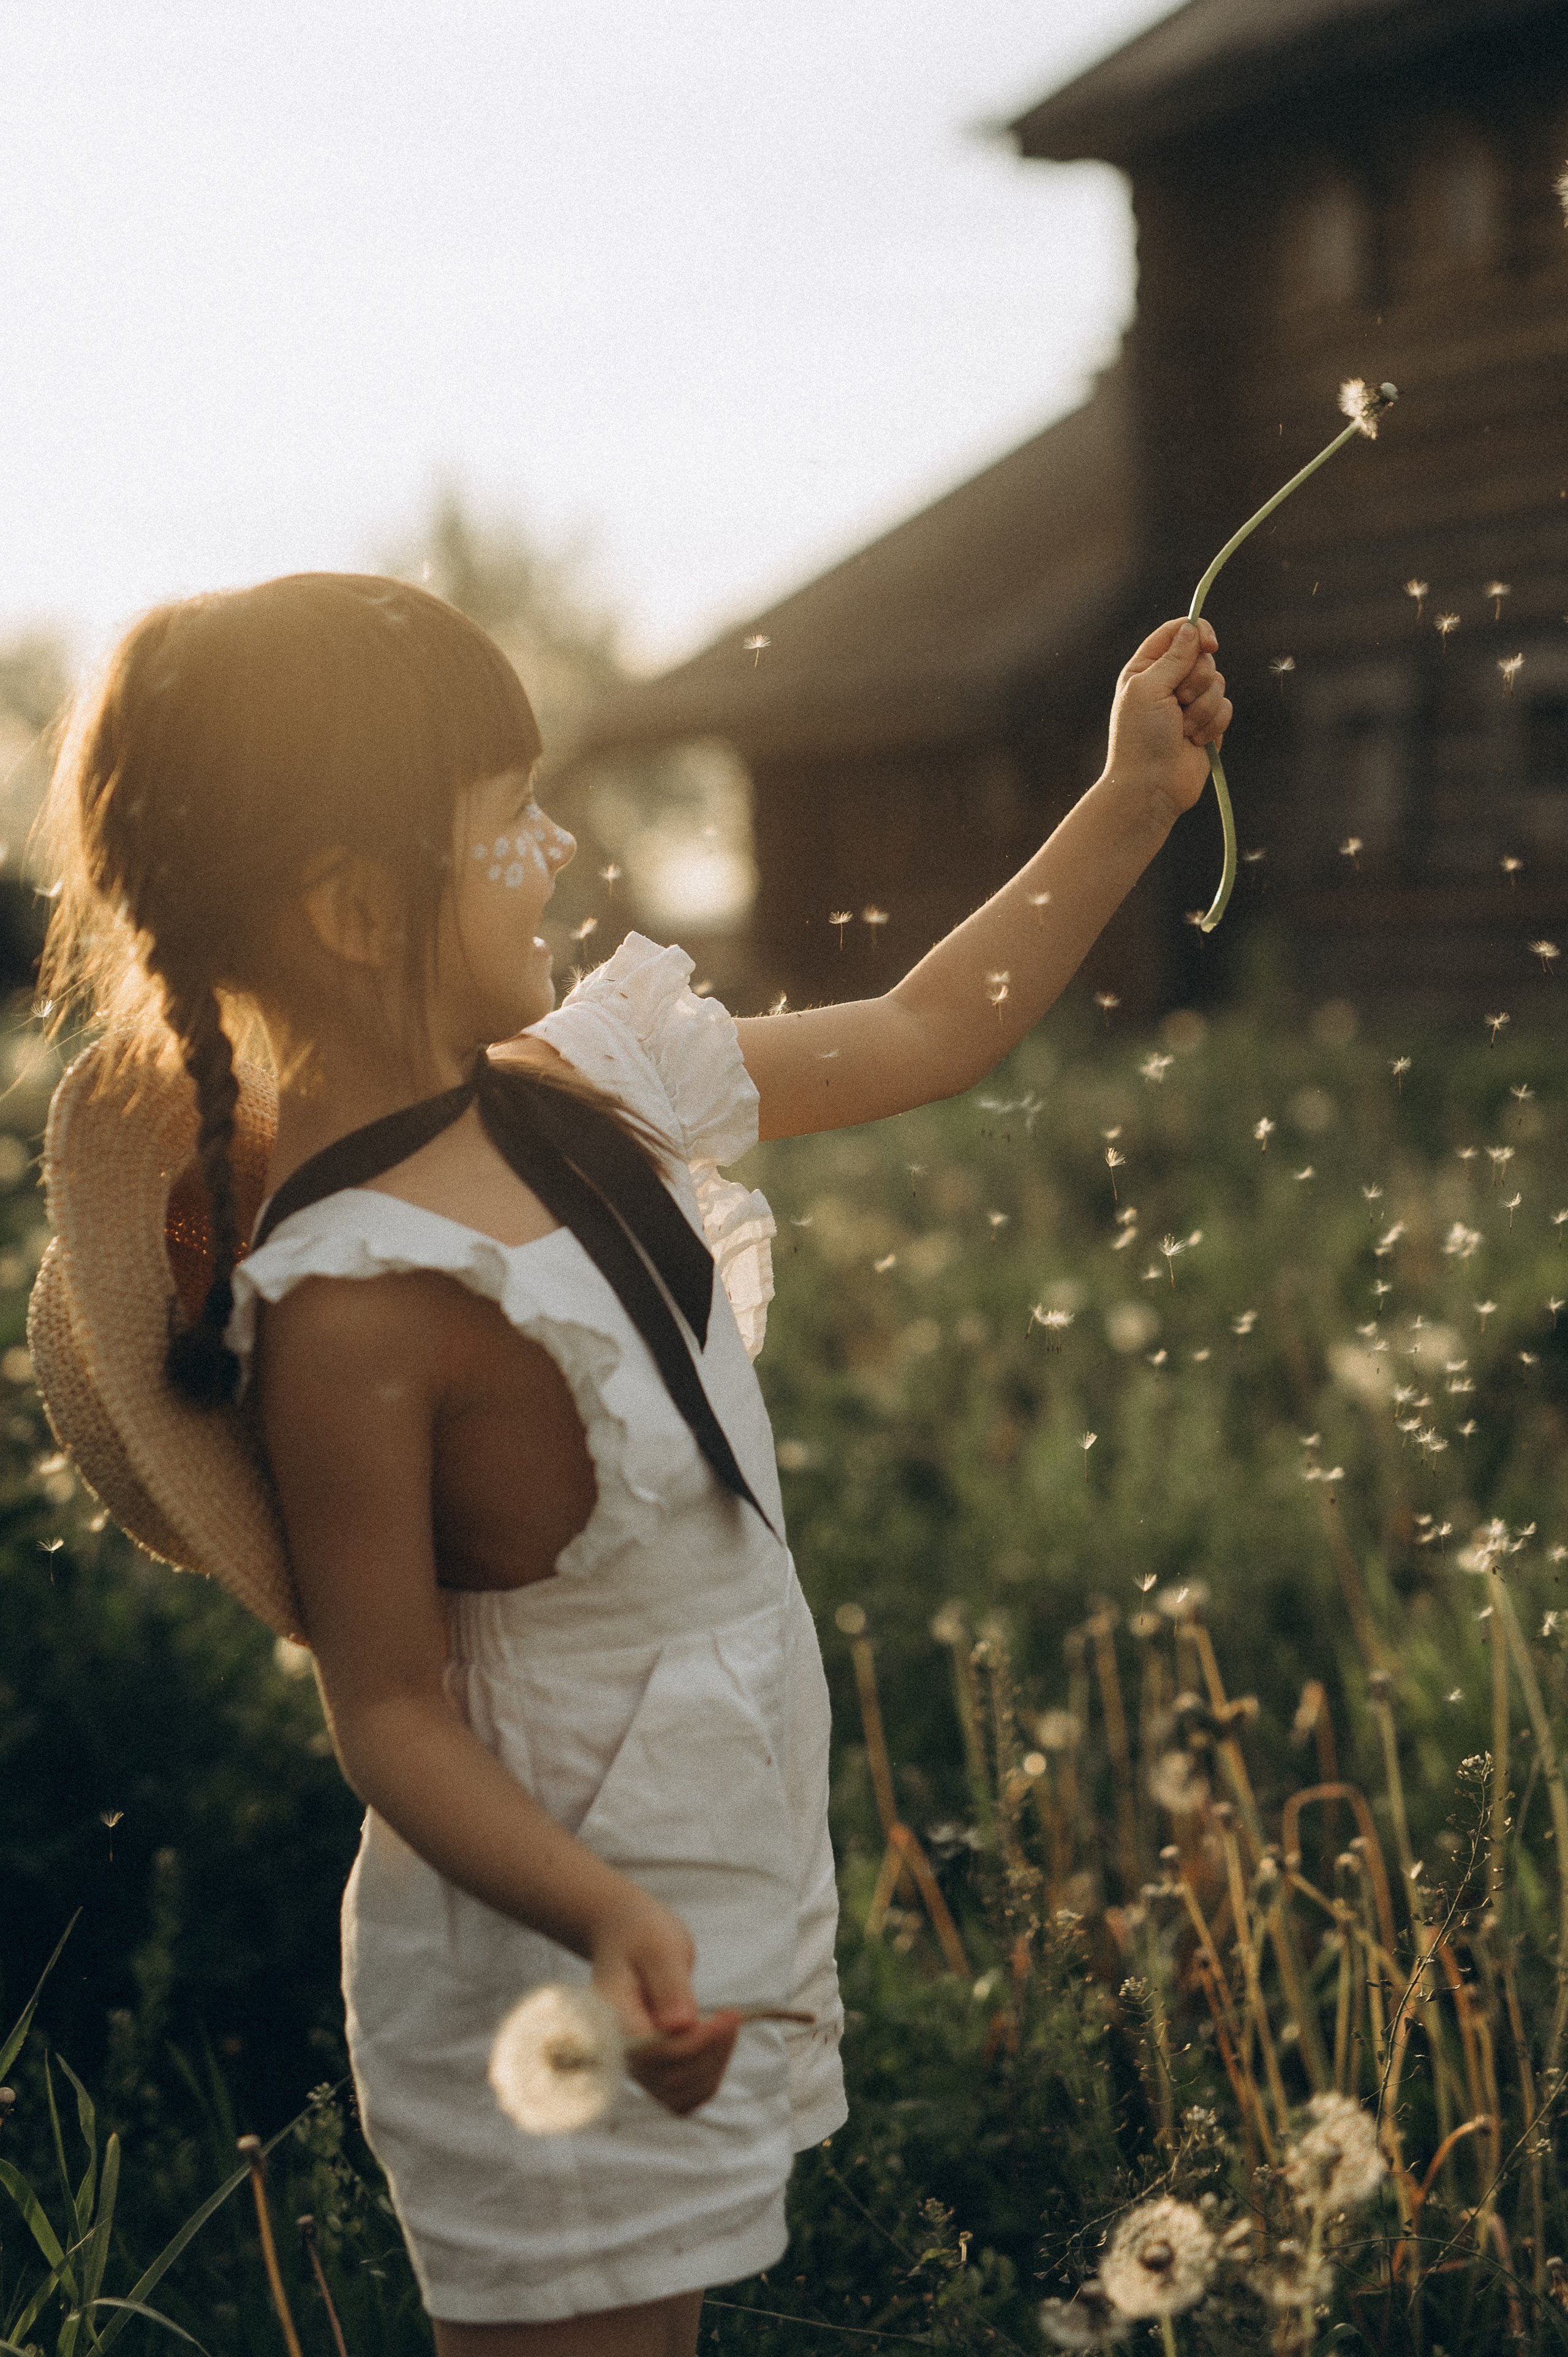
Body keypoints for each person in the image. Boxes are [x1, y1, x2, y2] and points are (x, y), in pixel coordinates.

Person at [31, 575, 1229, 2357]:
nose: (561, 852)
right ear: (358, 908)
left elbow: (925, 1032)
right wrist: (602, 1917)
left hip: (701, 1876)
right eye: (508, 825)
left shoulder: (592, 1089)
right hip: (546, 1961)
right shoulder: (357, 1305)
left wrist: (1132, 797)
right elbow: (392, 1714)